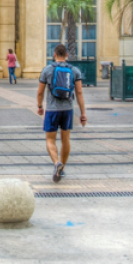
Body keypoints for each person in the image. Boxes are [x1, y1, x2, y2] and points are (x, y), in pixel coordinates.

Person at [37, 44, 86, 183]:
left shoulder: (47, 70)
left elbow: (40, 92)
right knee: (66, 139)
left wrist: (40, 106)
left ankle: (56, 163)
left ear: (54, 55)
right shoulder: (75, 71)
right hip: (68, 109)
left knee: (50, 140)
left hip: (52, 110)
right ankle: (62, 168)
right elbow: (79, 93)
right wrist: (83, 114)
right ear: (66, 55)